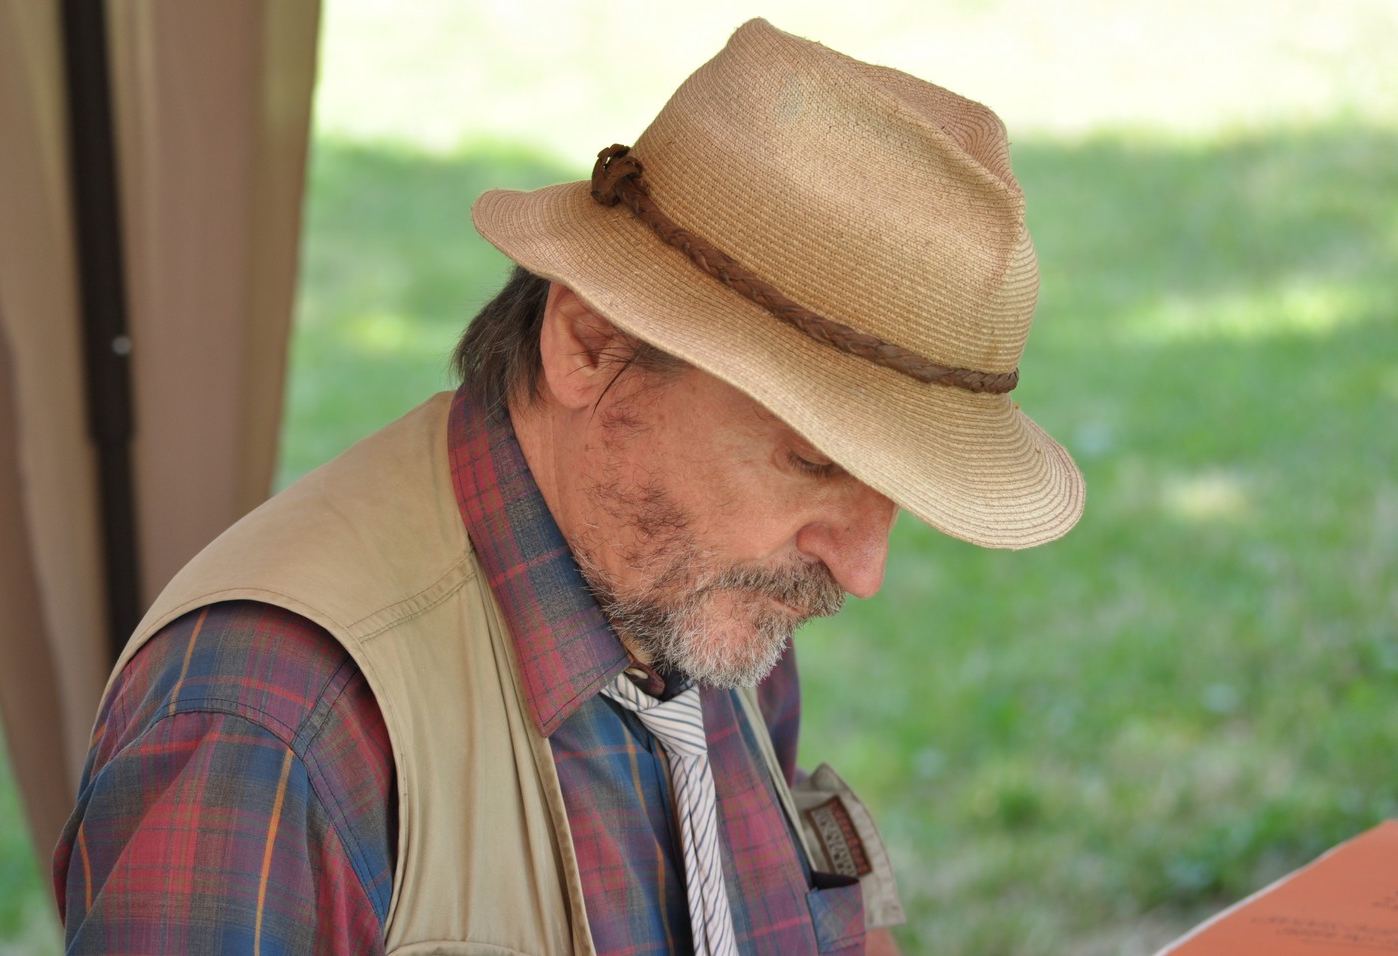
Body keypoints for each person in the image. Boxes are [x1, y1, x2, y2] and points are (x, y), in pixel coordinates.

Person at [52, 18, 1083, 956]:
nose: (861, 568)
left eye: (897, 488)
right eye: (813, 461)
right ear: (589, 342)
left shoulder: (703, 592)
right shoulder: (272, 726)